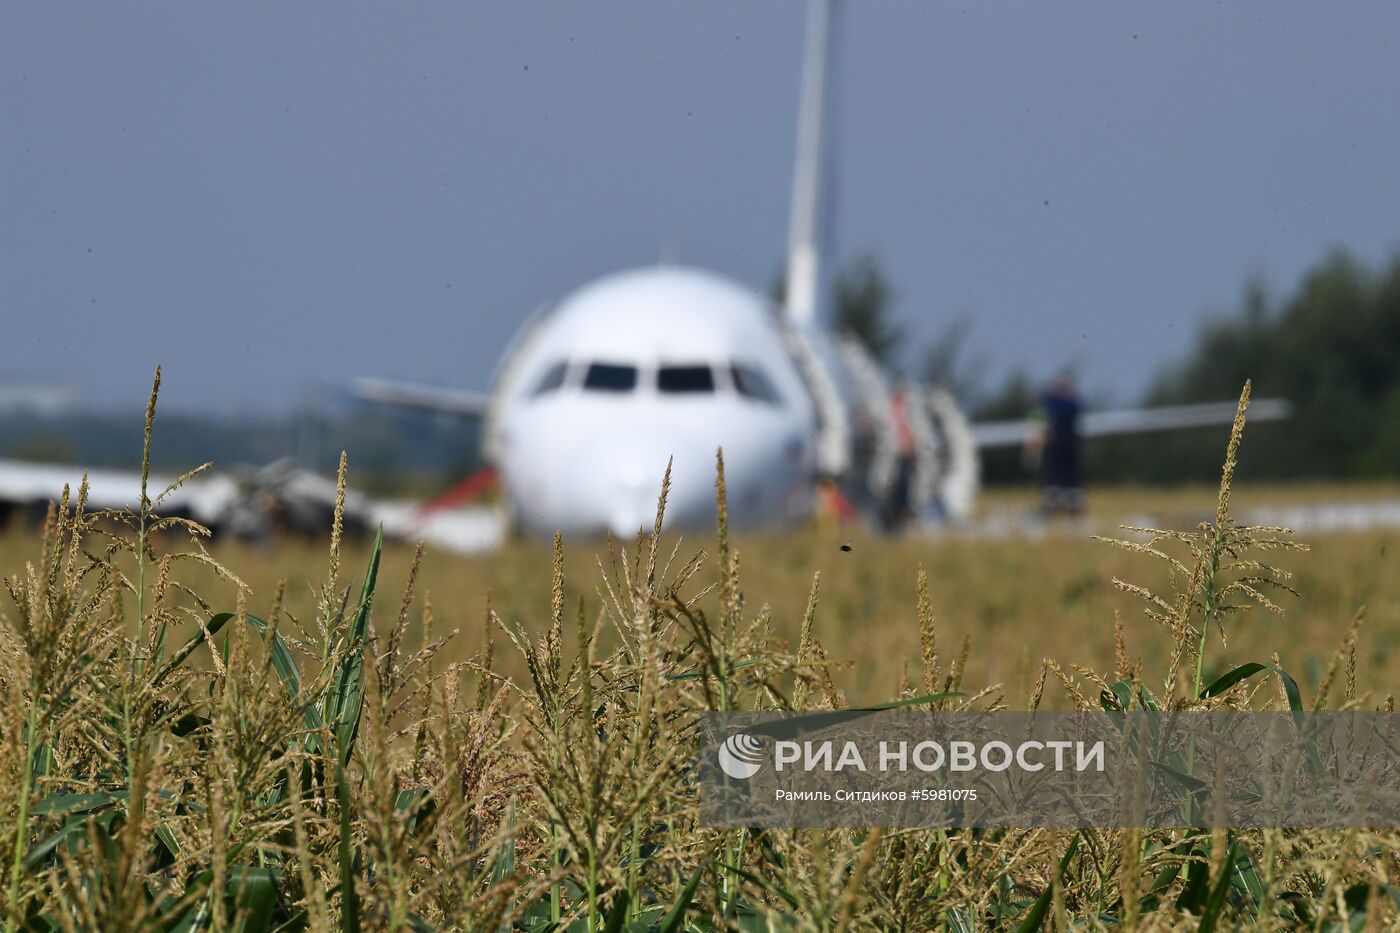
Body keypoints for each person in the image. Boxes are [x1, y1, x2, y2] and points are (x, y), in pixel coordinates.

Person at [1028, 374, 1084, 515]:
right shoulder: (1072, 404)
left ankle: (1055, 507)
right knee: (1067, 479)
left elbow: (1040, 422)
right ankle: (1070, 507)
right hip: (1068, 445)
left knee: (1056, 478)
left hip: (1057, 445)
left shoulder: (1050, 402)